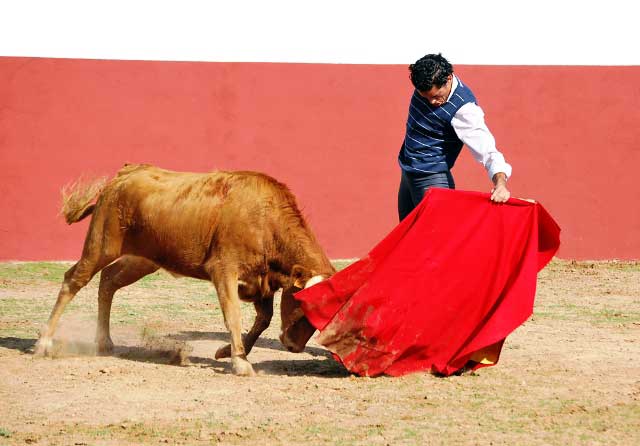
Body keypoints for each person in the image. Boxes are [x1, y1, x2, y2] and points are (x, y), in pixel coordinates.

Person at [397, 53, 512, 221]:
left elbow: (488, 150)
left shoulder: (464, 110)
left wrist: (500, 184)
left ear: (449, 78)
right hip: (408, 172)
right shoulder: (425, 79)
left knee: (437, 242)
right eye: (425, 97)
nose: (432, 102)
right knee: (406, 237)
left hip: (431, 181)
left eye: (436, 96)